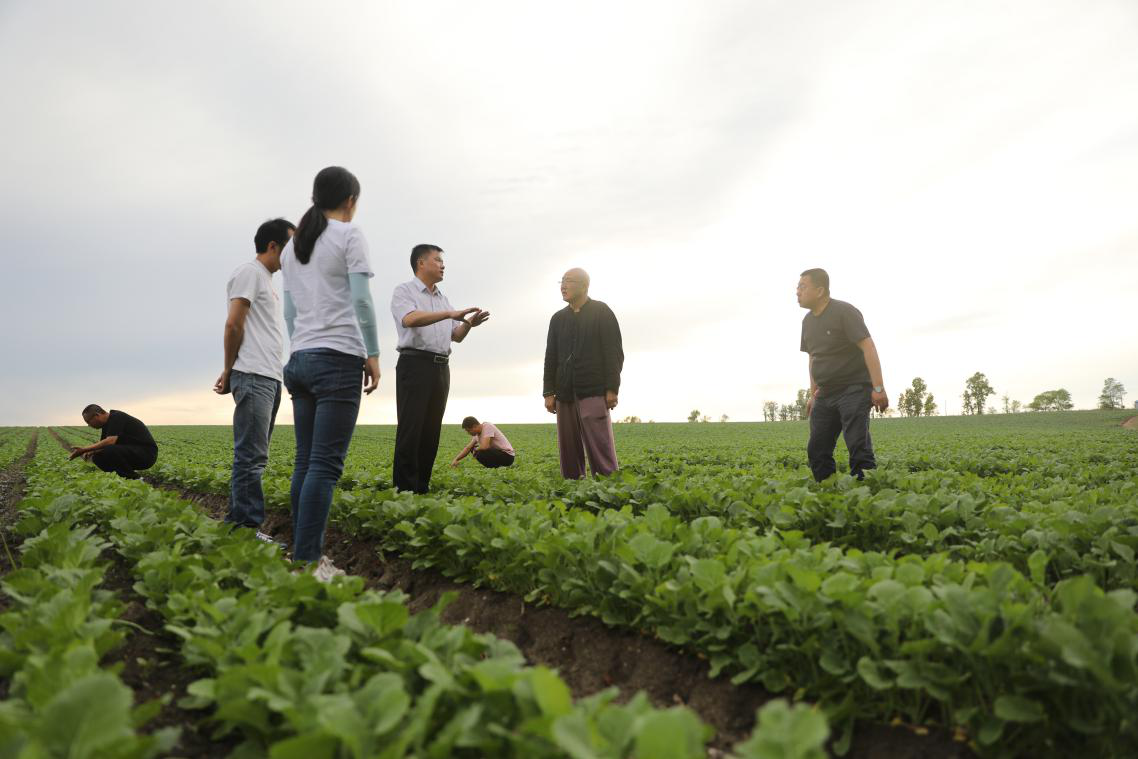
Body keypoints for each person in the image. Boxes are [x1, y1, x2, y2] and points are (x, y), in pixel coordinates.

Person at [280, 166, 380, 580]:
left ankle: (298, 555)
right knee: (323, 465)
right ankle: (308, 562)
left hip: (300, 358)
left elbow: (289, 312)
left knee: (306, 461)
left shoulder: (291, 248)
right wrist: (372, 353)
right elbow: (360, 300)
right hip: (337, 356)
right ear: (350, 200)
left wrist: (301, 344)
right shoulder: (349, 235)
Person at [213, 217, 294, 543]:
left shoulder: (267, 281)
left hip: (269, 376)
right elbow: (233, 324)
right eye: (291, 246)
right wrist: (230, 370)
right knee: (251, 456)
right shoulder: (249, 272)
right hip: (254, 375)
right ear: (273, 246)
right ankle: (244, 529)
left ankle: (237, 525)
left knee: (254, 455)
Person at [390, 245, 489, 493]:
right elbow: (410, 319)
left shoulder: (442, 298)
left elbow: (456, 336)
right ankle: (404, 489)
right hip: (414, 365)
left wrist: (468, 324)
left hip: (440, 368)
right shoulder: (405, 291)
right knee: (411, 428)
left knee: (431, 430)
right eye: (438, 260)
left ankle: (421, 486)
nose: (442, 265)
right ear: (421, 263)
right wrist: (449, 313)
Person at [797, 268, 889, 482]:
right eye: (797, 288)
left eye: (803, 287)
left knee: (858, 446)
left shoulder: (844, 311)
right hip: (825, 393)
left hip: (853, 389)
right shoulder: (807, 322)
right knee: (817, 450)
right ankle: (828, 493)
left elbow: (868, 347)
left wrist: (878, 388)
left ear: (820, 290)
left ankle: (867, 496)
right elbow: (813, 359)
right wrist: (813, 394)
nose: (797, 292)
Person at [542, 268, 623, 479]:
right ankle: (572, 488)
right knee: (568, 448)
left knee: (600, 446)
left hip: (594, 390)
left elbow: (613, 353)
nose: (563, 286)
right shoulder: (558, 319)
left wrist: (612, 388)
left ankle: (608, 487)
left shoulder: (601, 311)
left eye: (569, 281)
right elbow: (550, 357)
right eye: (562, 281)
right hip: (564, 393)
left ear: (584, 286)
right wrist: (548, 392)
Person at [69, 405, 158, 479]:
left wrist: (84, 449)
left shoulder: (117, 417)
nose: (89, 425)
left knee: (109, 449)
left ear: (97, 415)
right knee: (97, 457)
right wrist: (92, 452)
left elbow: (110, 442)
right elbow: (103, 447)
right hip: (134, 453)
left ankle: (135, 479)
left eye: (88, 421)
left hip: (147, 455)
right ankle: (121, 478)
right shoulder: (106, 425)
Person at [451, 416, 516, 468]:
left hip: (508, 456)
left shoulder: (487, 426)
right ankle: (495, 468)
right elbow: (468, 448)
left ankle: (498, 467)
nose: (468, 433)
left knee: (479, 452)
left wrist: (476, 450)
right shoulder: (477, 435)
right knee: (473, 449)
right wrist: (456, 459)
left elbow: (485, 446)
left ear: (474, 426)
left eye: (469, 430)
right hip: (498, 454)